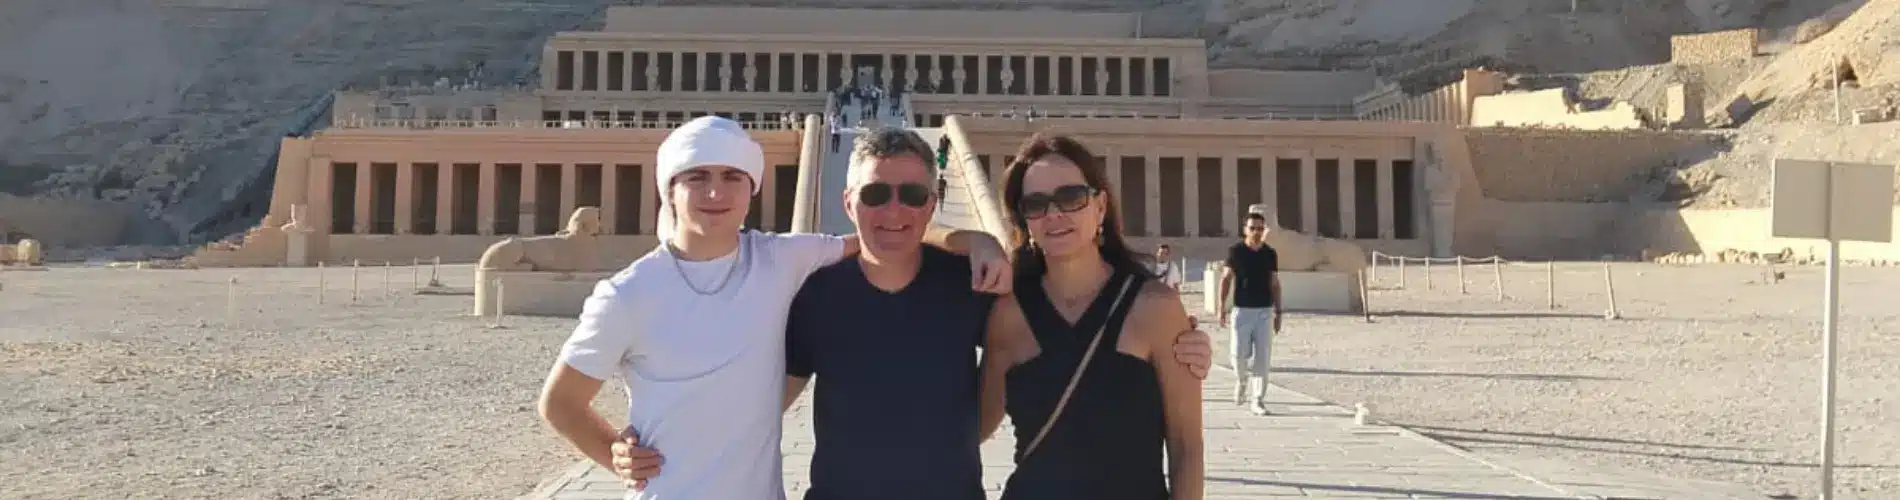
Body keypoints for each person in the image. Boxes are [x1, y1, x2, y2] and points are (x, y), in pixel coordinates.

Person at [609, 128, 1214, 500]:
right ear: (848, 201)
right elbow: (757, 402)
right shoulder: (817, 292)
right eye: (875, 194)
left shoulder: (978, 287)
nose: (893, 210)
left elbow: (1181, 439)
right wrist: (652, 437)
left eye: (912, 196)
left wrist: (973, 242)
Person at [535, 116, 1011, 500]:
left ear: (752, 188)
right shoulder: (628, 293)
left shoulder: (780, 260)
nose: (715, 193)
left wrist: (977, 240)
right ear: (669, 190)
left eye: (731, 177)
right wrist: (615, 453)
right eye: (696, 177)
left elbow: (885, 237)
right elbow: (560, 403)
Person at [981, 134, 1205, 500]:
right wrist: (974, 242)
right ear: (1024, 219)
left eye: (1071, 198)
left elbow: (1186, 447)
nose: (1054, 214)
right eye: (1036, 204)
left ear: (1100, 206)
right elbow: (973, 426)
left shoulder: (1154, 308)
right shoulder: (1008, 313)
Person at [1218, 210, 1282, 416]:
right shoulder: (1236, 251)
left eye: (1260, 229)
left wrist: (1279, 312)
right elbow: (1226, 279)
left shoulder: (1270, 254)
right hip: (1242, 310)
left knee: (1263, 357)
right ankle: (1241, 380)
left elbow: (1274, 283)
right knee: (1238, 354)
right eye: (1252, 228)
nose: (1256, 232)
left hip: (1264, 310)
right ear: (1245, 229)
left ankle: (1257, 399)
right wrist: (1221, 307)